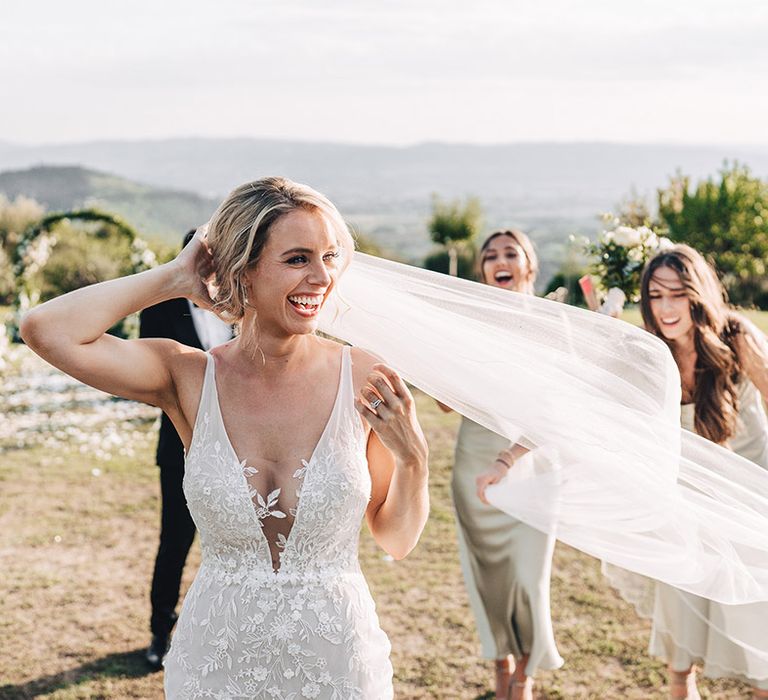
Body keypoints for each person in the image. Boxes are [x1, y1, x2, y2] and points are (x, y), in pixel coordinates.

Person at [20, 176, 430, 699]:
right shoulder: (187, 377)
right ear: (245, 270)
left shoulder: (365, 376)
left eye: (329, 256)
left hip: (338, 665)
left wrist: (414, 461)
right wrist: (174, 278)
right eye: (298, 258)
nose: (322, 277)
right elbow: (44, 328)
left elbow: (396, 538)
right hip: (216, 664)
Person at [634, 244, 768, 699]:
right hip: (685, 511)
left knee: (762, 644)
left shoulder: (736, 336)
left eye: (678, 294)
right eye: (656, 296)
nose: (667, 308)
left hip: (748, 509)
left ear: (699, 294)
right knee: (680, 649)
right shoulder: (652, 353)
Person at [443, 230, 563, 700]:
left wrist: (509, 458)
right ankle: (500, 666)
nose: (500, 260)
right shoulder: (469, 328)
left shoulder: (553, 325)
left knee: (529, 577)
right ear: (482, 270)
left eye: (510, 253)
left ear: (528, 264)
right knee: (486, 575)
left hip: (532, 466)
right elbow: (448, 404)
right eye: (490, 255)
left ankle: (526, 674)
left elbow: (557, 412)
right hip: (474, 465)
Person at [139, 229, 234, 670]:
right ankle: (161, 632)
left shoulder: (246, 308)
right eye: (204, 255)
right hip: (179, 448)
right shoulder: (160, 309)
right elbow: (144, 375)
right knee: (174, 541)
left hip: (242, 447)